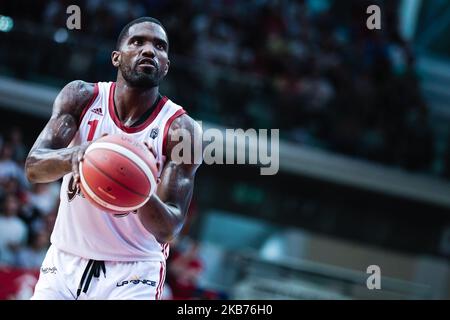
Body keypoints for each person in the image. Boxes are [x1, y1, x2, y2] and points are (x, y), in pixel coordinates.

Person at [25, 17, 202, 300]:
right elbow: (34, 167)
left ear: (166, 65)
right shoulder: (81, 97)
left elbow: (169, 228)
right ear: (116, 58)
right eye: (138, 42)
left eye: (159, 46)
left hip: (133, 272)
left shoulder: (181, 130)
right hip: (64, 260)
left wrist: (135, 187)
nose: (149, 50)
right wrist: (76, 156)